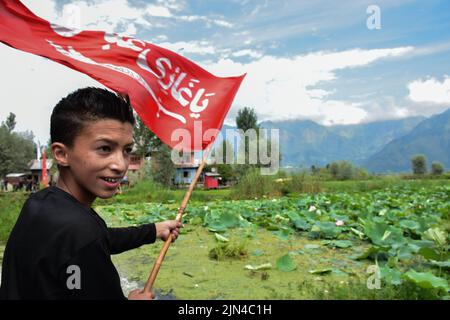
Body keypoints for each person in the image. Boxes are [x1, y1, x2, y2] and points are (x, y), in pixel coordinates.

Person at [0, 87, 182, 300]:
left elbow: (99, 238)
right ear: (61, 154)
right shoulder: (80, 232)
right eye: (105, 148)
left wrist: (152, 230)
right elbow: (88, 240)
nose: (120, 164)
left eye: (127, 150)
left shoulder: (41, 202)